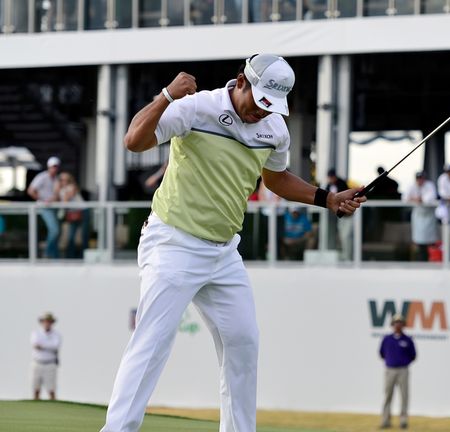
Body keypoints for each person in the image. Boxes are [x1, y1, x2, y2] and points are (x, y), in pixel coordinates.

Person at [101, 54, 365, 432]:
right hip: (173, 242)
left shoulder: (274, 128)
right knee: (152, 341)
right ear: (241, 81)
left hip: (223, 251)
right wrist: (165, 96)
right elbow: (133, 141)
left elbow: (275, 179)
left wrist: (328, 198)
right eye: (259, 102)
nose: (263, 112)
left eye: (271, 106)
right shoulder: (196, 108)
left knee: (243, 342)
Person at [379, 314, 416, 430]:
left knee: (404, 395)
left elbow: (413, 355)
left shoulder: (408, 340)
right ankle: (385, 420)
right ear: (392, 325)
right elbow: (381, 353)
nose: (398, 324)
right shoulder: (387, 339)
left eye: (400, 322)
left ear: (403, 325)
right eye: (395, 322)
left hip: (403, 371)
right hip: (390, 370)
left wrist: (403, 362)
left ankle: (403, 420)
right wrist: (391, 361)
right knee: (388, 395)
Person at [27, 156, 61, 258]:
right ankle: (47, 253)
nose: (54, 169)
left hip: (55, 207)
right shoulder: (42, 177)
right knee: (55, 230)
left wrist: (54, 198)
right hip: (44, 207)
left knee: (55, 232)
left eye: (56, 166)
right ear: (49, 167)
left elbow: (57, 194)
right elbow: (31, 190)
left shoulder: (57, 179)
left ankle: (54, 256)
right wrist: (42, 200)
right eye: (53, 166)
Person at [402, 171, 439, 261]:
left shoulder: (429, 185)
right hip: (418, 216)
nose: (420, 181)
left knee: (430, 241)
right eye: (418, 179)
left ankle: (431, 260)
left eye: (421, 178)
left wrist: (419, 199)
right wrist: (415, 199)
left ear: (424, 178)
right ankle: (421, 261)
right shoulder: (412, 186)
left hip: (429, 216)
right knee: (419, 242)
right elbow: (404, 198)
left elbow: (430, 198)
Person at [56, 171, 88, 258]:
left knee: (84, 234)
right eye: (62, 180)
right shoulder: (62, 190)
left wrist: (62, 192)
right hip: (72, 213)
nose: (64, 181)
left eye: (66, 180)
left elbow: (67, 198)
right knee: (71, 235)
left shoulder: (72, 187)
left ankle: (84, 256)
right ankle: (70, 256)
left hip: (83, 211)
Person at [31, 312, 61, 401]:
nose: (47, 323)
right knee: (36, 389)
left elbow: (55, 346)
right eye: (45, 321)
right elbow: (35, 345)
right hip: (37, 363)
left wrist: (43, 346)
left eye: (49, 321)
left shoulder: (56, 335)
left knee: (51, 390)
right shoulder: (36, 333)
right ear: (42, 322)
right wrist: (48, 346)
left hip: (50, 364)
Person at [325, 168, 354, 261]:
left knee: (346, 236)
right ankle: (345, 255)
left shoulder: (342, 184)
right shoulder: (329, 185)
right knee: (342, 236)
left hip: (347, 215)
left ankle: (348, 256)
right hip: (339, 215)